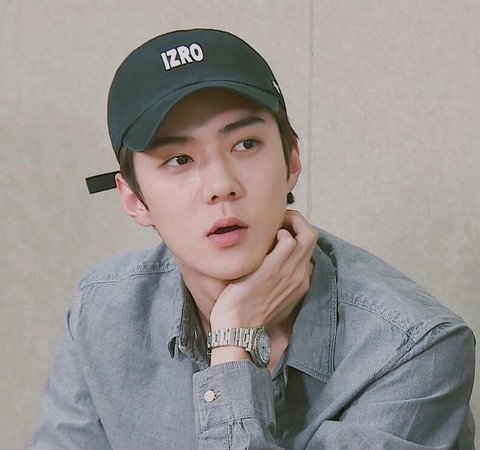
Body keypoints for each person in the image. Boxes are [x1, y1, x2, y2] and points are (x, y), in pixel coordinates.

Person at [30, 29, 475, 449]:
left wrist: (233, 340)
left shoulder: (413, 348)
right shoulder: (103, 315)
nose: (221, 185)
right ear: (133, 198)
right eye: (179, 159)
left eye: (245, 145)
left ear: (292, 160)